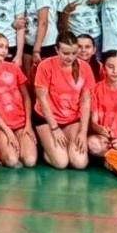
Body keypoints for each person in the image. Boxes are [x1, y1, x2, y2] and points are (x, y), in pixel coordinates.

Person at [33, 34, 95, 170]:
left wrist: (82, 133)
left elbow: (85, 102)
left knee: (80, 163)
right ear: (57, 50)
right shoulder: (45, 66)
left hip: (72, 119)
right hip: (47, 119)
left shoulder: (85, 67)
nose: (70, 57)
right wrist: (54, 128)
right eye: (66, 53)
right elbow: (42, 100)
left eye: (74, 53)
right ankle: (46, 150)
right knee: (61, 163)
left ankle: (62, 146)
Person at [0, 32, 37, 168]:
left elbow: (27, 98)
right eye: (0, 46)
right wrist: (8, 133)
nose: (4, 50)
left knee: (30, 160)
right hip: (0, 126)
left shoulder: (14, 68)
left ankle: (20, 142)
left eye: (6, 47)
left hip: (21, 124)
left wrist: (28, 125)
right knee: (11, 160)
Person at [16, 0, 58, 74]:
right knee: (29, 79)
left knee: (45, 79)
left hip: (46, 43)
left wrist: (37, 49)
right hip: (28, 43)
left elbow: (43, 22)